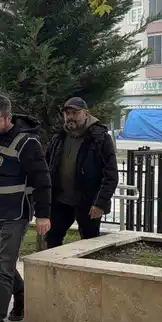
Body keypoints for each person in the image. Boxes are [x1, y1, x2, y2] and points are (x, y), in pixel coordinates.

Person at [0, 95, 51, 322]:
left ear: (9, 117)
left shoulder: (27, 143)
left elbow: (42, 180)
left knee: (3, 267)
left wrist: (43, 215)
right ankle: (20, 293)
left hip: (15, 215)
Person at [45, 97, 119, 248]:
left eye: (75, 113)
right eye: (67, 113)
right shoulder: (59, 137)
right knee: (52, 239)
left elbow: (111, 176)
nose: (70, 117)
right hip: (60, 201)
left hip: (88, 203)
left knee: (89, 243)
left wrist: (100, 203)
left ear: (86, 114)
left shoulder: (100, 138)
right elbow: (47, 167)